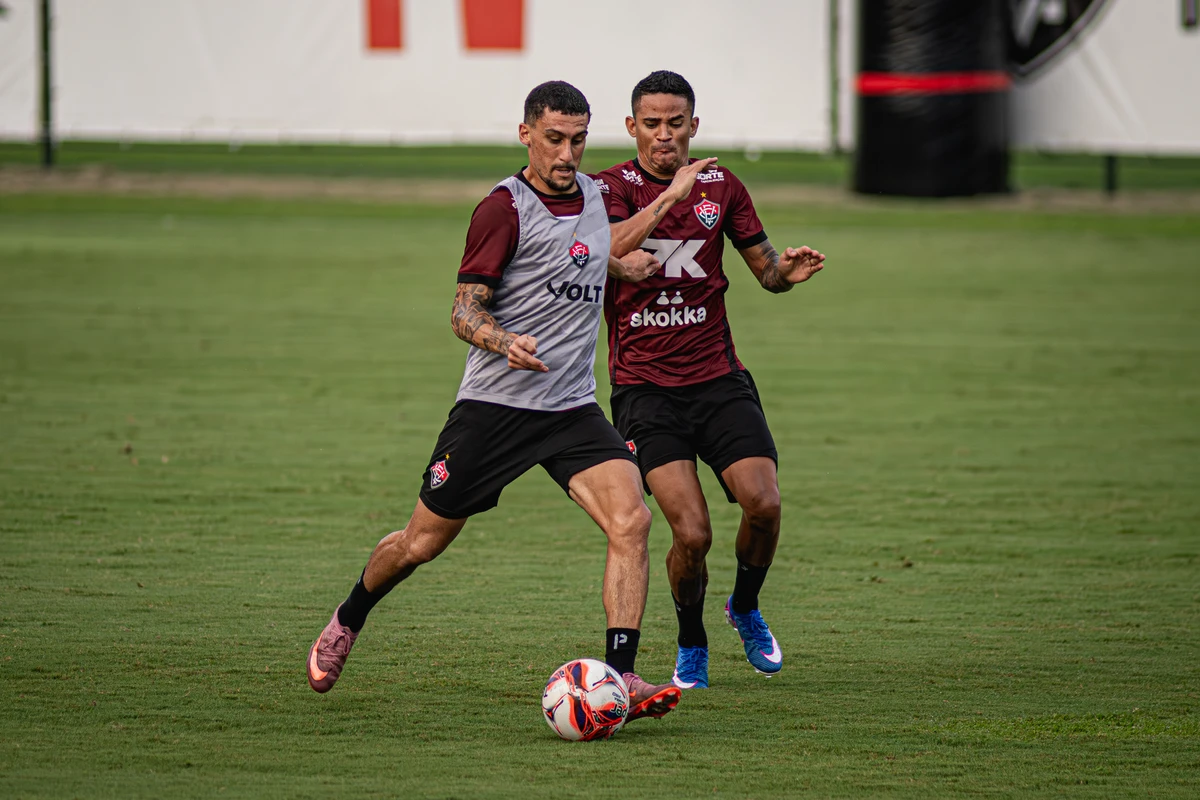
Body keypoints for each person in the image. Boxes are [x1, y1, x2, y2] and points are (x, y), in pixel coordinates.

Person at [307, 80, 681, 723]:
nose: (568, 153)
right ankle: (349, 616)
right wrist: (501, 338)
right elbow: (462, 308)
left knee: (634, 520)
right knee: (421, 542)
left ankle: (619, 678)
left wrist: (623, 268)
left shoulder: (594, 196)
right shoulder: (502, 208)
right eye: (555, 139)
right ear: (526, 135)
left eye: (579, 139)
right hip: (495, 408)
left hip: (569, 407)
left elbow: (585, 253)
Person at [594, 71, 827, 689]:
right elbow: (608, 245)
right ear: (631, 126)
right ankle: (691, 637)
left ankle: (744, 607)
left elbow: (764, 270)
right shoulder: (608, 187)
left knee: (765, 504)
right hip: (644, 390)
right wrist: (670, 195)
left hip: (718, 378)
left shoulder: (723, 187)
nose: (664, 135)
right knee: (691, 533)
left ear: (694, 126)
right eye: (652, 123)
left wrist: (786, 274)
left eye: (676, 124)